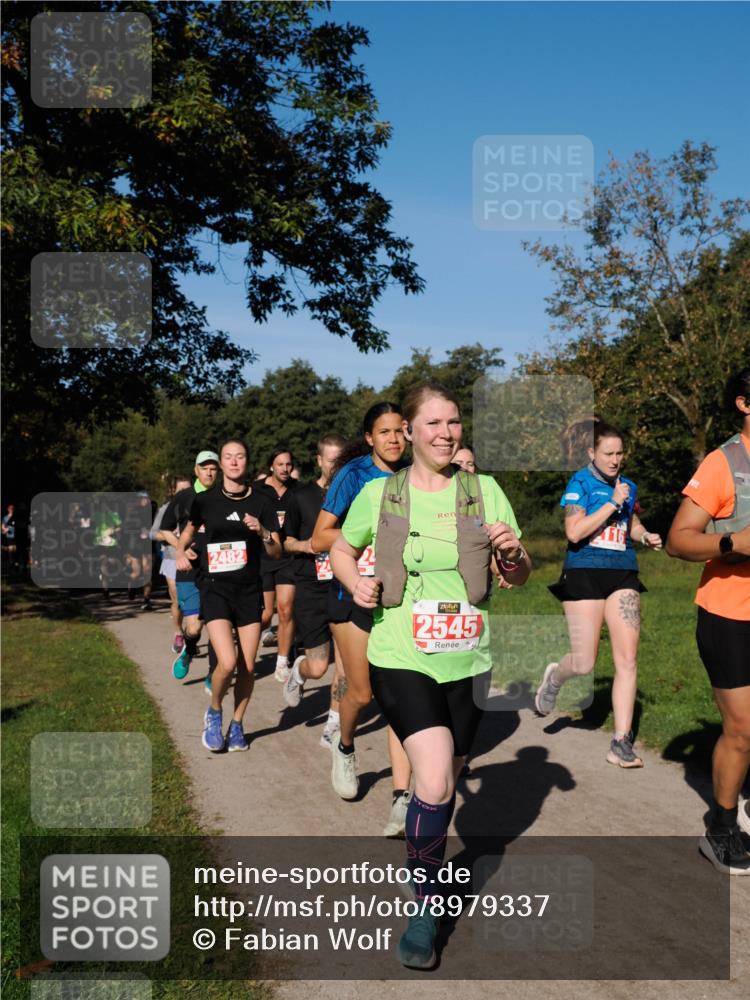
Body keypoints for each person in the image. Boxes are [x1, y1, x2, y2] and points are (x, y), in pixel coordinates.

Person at [330, 382, 529, 968]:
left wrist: (513, 554)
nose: (446, 433)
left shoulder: (485, 491)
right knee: (437, 778)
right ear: (409, 432)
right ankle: (426, 902)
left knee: (442, 781)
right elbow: (341, 548)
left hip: (469, 659)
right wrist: (353, 581)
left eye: (455, 423)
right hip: (400, 653)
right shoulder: (379, 493)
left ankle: (424, 857)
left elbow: (515, 576)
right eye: (434, 424)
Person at [312, 402, 414, 839]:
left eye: (399, 431)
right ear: (369, 437)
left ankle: (402, 798)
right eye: (384, 432)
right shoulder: (353, 475)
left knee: (401, 699)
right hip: (350, 595)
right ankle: (345, 744)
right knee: (362, 691)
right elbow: (320, 536)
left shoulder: (416, 473)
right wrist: (372, 532)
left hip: (401, 599)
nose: (393, 439)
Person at [535, 418, 663, 768]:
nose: (615, 460)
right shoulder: (580, 483)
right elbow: (574, 532)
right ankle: (555, 677)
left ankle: (621, 742)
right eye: (608, 453)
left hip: (623, 572)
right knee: (584, 662)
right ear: (592, 452)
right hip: (584, 574)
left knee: (628, 659)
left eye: (620, 453)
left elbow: (630, 523)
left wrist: (645, 535)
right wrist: (610, 503)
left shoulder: (628, 486)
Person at [666, 368, 750, 875]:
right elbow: (678, 538)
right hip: (731, 614)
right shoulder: (725, 464)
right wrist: (734, 542)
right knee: (742, 730)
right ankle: (720, 828)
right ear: (745, 403)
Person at [176, 439, 282, 752]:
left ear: (247, 462)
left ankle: (236, 724)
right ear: (220, 464)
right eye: (228, 457)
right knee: (227, 661)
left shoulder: (262, 500)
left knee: (247, 666)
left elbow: (275, 551)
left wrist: (262, 531)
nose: (234, 462)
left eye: (240, 457)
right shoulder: (205, 500)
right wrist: (180, 553)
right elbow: (188, 532)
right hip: (215, 588)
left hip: (249, 589)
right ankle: (215, 711)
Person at [282, 435, 346, 717]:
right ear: (319, 461)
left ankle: (334, 721)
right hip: (312, 586)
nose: (336, 467)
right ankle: (300, 672)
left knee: (346, 666)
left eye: (342, 462)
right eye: (332, 461)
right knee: (319, 666)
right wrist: (305, 545)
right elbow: (286, 541)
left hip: (346, 584)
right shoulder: (300, 496)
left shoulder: (354, 494)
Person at [160, 452, 219, 681]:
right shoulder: (184, 497)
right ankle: (188, 650)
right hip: (189, 571)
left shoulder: (223, 496)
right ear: (196, 470)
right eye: (204, 468)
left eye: (213, 468)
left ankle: (214, 674)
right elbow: (165, 529)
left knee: (218, 626)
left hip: (217, 570)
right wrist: (181, 549)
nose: (209, 472)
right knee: (194, 628)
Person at [257, 449, 298, 678]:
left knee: (285, 609)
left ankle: (282, 661)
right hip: (263, 557)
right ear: (271, 466)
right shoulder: (258, 490)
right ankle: (244, 641)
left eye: (288, 464)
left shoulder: (297, 490)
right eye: (280, 464)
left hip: (287, 559)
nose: (284, 468)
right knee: (264, 616)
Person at [152, 475, 191, 653]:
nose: (184, 493)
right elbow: (154, 533)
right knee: (177, 599)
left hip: (194, 559)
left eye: (187, 489)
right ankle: (178, 633)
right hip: (171, 557)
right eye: (180, 490)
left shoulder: (198, 505)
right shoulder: (166, 509)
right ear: (173, 491)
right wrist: (173, 537)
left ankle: (194, 635)